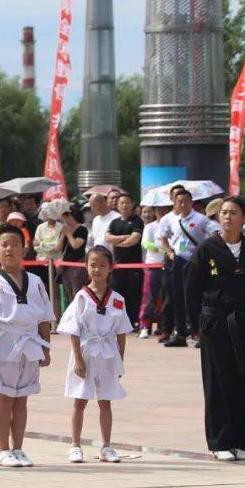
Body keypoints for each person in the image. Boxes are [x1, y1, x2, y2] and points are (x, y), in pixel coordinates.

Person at [186, 197, 245, 461]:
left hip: (244, 323)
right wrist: (196, 325)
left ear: (244, 218)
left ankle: (240, 440)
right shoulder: (207, 249)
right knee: (219, 381)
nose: (227, 217)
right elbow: (190, 287)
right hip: (215, 323)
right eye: (224, 213)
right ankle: (220, 441)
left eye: (233, 213)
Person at [0, 224, 54, 468]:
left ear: (24, 249)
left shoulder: (35, 281)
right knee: (4, 399)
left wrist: (46, 348)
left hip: (30, 344)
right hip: (3, 344)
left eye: (14, 244)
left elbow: (45, 317)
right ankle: (3, 449)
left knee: (22, 399)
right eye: (4, 244)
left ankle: (19, 447)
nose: (9, 249)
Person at [57, 247, 134, 464]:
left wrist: (120, 360)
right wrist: (78, 359)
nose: (97, 269)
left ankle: (106, 446)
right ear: (86, 267)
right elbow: (73, 329)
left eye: (102, 265)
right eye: (92, 264)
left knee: (105, 401)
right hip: (87, 351)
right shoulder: (81, 297)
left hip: (108, 354)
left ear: (111, 268)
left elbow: (121, 332)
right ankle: (75, 445)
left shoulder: (117, 299)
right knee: (79, 400)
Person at [158, 189, 210, 347]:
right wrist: (169, 252)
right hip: (178, 261)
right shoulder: (172, 220)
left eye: (186, 201)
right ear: (174, 203)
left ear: (191, 202)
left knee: (195, 299)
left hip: (195, 262)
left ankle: (200, 333)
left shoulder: (201, 219)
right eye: (179, 202)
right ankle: (180, 334)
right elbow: (163, 236)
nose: (182, 204)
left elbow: (215, 234)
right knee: (177, 299)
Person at [106, 194, 145, 331]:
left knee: (133, 295)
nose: (124, 205)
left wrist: (118, 242)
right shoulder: (114, 222)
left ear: (132, 205)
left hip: (134, 267)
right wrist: (124, 237)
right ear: (117, 205)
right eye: (122, 203)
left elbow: (134, 240)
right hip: (118, 267)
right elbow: (108, 238)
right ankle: (118, 322)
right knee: (117, 295)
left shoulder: (137, 221)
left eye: (127, 202)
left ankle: (133, 322)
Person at [139, 205, 169, 338]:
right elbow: (146, 244)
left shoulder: (172, 224)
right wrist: (165, 249)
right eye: (159, 210)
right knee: (149, 296)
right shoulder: (150, 226)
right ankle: (144, 326)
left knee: (167, 297)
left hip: (169, 265)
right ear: (155, 212)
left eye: (165, 209)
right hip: (153, 265)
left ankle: (164, 326)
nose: (162, 212)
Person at [58, 207, 89, 302]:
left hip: (78, 264)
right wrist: (63, 235)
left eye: (66, 216)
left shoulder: (82, 229)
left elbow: (76, 245)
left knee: (77, 291)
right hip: (65, 265)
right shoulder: (64, 230)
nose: (64, 219)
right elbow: (58, 248)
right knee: (68, 292)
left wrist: (69, 234)